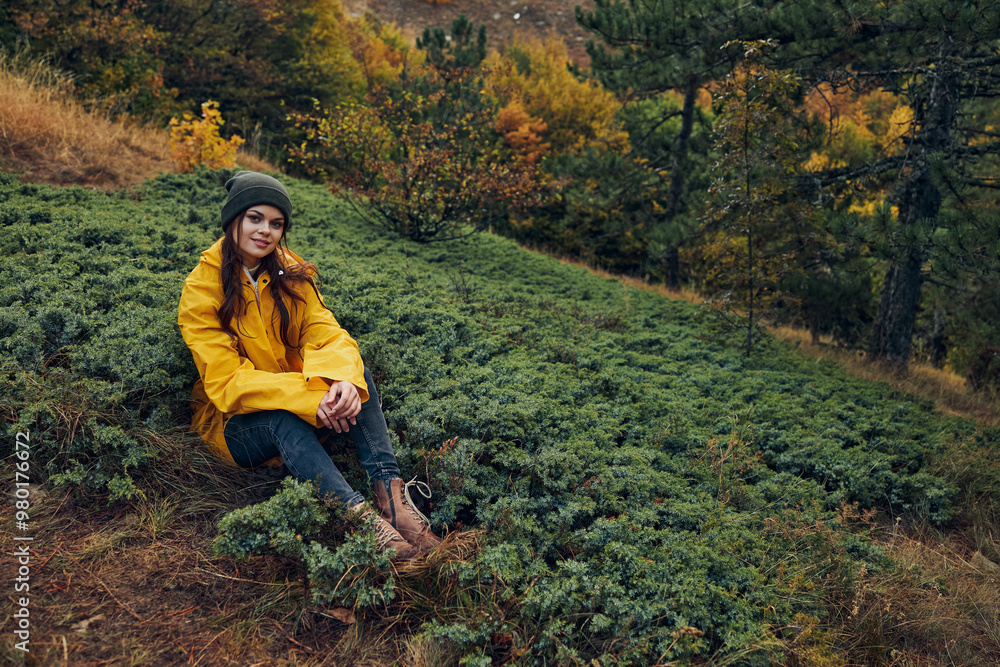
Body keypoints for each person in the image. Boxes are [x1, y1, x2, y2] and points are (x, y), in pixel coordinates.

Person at [177, 171, 441, 560]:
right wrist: (311, 396)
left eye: (276, 223)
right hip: (236, 428)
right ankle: (361, 519)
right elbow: (228, 384)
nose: (266, 231)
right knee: (279, 419)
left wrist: (343, 382)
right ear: (233, 219)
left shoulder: (289, 270)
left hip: (303, 407)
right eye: (255, 218)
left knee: (355, 371)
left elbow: (328, 333)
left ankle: (393, 501)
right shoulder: (201, 290)